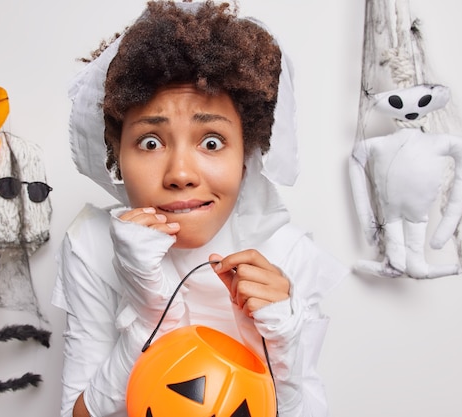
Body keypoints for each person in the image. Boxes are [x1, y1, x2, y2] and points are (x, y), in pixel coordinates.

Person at [53, 1, 347, 416]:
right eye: (150, 142)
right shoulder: (93, 245)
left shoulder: (285, 255)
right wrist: (146, 319)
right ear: (118, 154)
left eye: (211, 142)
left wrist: (284, 348)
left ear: (247, 154)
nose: (180, 173)